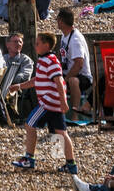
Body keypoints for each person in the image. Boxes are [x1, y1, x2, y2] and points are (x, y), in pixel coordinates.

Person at [9, 32, 78, 174]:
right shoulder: (45, 60)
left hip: (48, 103)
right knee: (61, 133)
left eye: (37, 43)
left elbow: (59, 80)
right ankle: (71, 165)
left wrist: (64, 101)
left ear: (46, 45)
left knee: (29, 124)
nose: (35, 46)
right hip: (54, 104)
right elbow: (37, 80)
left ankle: (29, 158)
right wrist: (19, 86)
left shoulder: (49, 60)